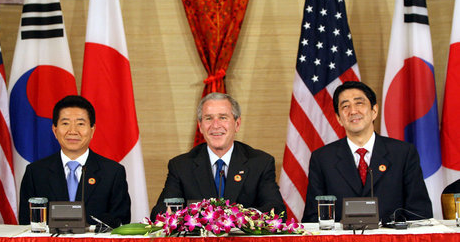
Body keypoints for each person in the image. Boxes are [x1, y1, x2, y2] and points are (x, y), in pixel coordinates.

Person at [302, 81, 432, 223]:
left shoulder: (403, 153)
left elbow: (420, 212)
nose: (353, 111)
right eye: (345, 106)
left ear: (374, 111)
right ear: (339, 118)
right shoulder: (322, 158)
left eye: (359, 103)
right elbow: (313, 217)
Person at [150, 92, 285, 219]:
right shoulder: (181, 166)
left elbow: (276, 209)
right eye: (208, 118)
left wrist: (241, 219)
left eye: (223, 117)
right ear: (200, 126)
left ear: (237, 124)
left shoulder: (260, 163)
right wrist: (178, 215)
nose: (215, 125)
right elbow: (161, 210)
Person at [19, 95, 131, 228]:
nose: (72, 131)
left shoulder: (112, 172)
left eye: (80, 124)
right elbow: (26, 222)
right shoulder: (36, 172)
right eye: (65, 123)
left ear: (92, 130)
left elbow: (120, 219)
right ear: (54, 130)